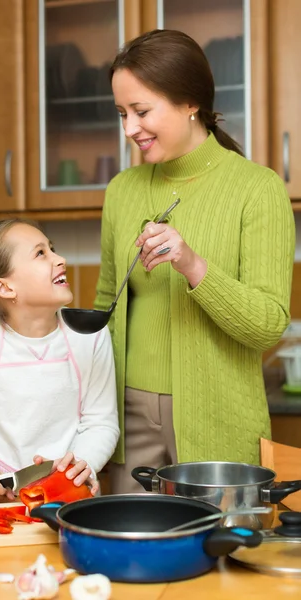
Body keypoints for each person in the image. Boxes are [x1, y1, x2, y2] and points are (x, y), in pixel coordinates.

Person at [94, 29, 295, 494]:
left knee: (222, 558)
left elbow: (269, 324)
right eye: (122, 113)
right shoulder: (121, 191)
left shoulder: (257, 189)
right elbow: (105, 307)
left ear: (190, 103)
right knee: (132, 557)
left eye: (142, 112)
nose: (129, 129)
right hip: (126, 421)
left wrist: (192, 265)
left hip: (219, 419)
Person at [0, 218, 119, 503]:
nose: (61, 259)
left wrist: (84, 464)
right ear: (5, 288)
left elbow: (102, 422)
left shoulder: (91, 336)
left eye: (52, 249)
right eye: (41, 253)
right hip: (3, 500)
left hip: (72, 498)